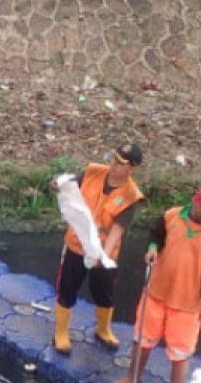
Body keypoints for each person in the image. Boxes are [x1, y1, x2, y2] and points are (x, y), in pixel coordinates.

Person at [109, 184, 201, 383]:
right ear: (194, 201)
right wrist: (152, 248)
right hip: (156, 292)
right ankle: (133, 376)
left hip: (188, 302)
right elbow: (155, 236)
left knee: (181, 350)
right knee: (142, 339)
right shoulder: (171, 216)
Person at [51, 143, 146, 354]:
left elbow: (118, 230)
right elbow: (68, 185)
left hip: (103, 253)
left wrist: (101, 256)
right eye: (113, 159)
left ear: (132, 167)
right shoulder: (93, 171)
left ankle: (103, 329)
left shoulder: (131, 195)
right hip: (76, 244)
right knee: (67, 288)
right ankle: (61, 332)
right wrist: (59, 185)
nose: (113, 165)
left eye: (120, 164)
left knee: (104, 292)